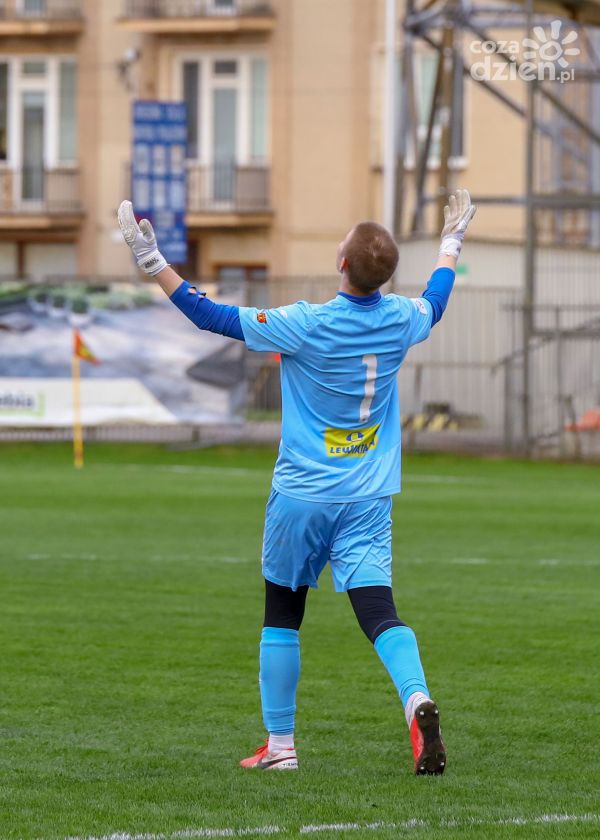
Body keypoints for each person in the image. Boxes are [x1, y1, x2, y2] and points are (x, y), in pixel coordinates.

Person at [118, 189, 476, 775]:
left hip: (303, 494)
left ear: (342, 262)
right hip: (367, 496)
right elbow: (436, 299)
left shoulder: (306, 323)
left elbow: (210, 315)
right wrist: (451, 240)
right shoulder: (401, 319)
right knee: (379, 610)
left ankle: (280, 746)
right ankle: (416, 698)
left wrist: (151, 259)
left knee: (282, 611)